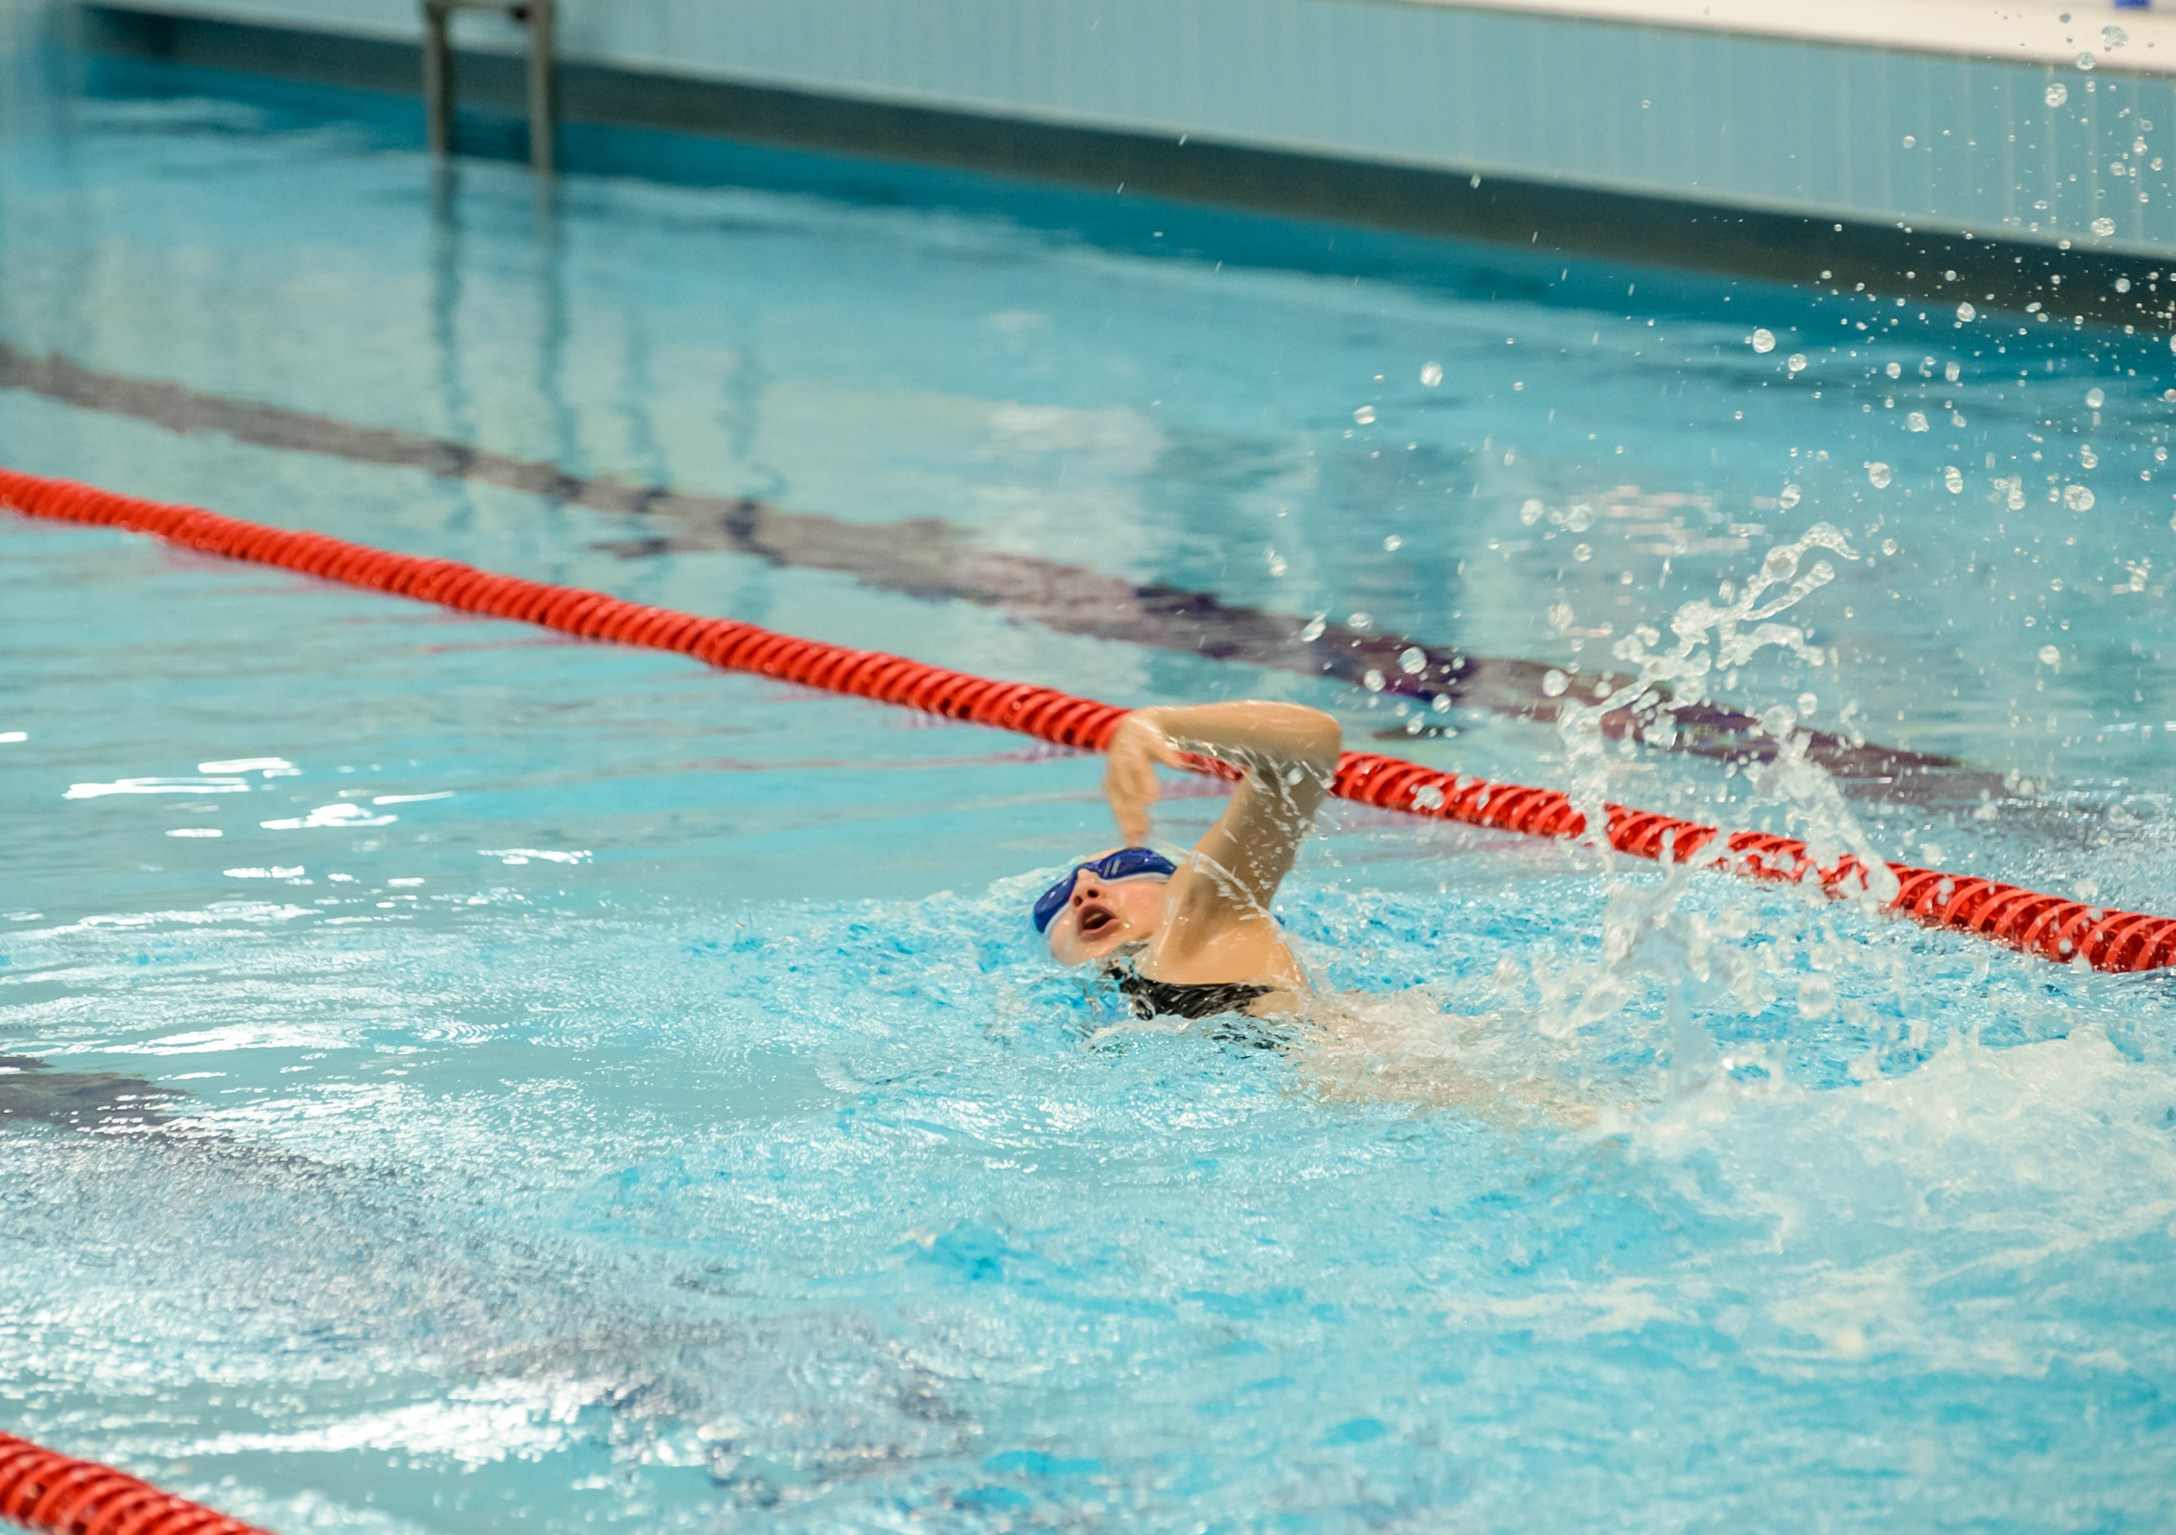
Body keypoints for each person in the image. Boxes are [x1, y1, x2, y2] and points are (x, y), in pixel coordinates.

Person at [1032, 701, 1342, 1021]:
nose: (1083, 890)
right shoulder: (1107, 1009)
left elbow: (1311, 746)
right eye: (1056, 898)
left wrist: (1159, 724)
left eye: (1122, 868)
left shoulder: (1195, 916)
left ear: (1173, 884)